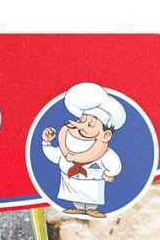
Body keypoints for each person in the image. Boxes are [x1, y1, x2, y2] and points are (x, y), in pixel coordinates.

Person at [40, 81, 126, 217]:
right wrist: (46, 143)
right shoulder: (67, 146)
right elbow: (53, 155)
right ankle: (78, 208)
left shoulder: (104, 154)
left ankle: (92, 209)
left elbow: (114, 165)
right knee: (73, 198)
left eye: (90, 125)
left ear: (105, 135)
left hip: (93, 184)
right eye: (81, 121)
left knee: (92, 198)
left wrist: (109, 173)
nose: (81, 127)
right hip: (70, 184)